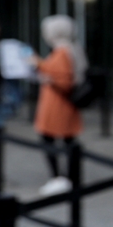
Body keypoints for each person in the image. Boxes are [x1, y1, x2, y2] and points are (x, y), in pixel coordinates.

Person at [34, 14, 86, 196]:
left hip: (58, 105)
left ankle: (60, 178)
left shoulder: (63, 52)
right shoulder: (69, 49)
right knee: (67, 141)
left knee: (51, 140)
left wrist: (43, 72)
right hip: (61, 105)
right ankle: (68, 178)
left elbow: (64, 81)